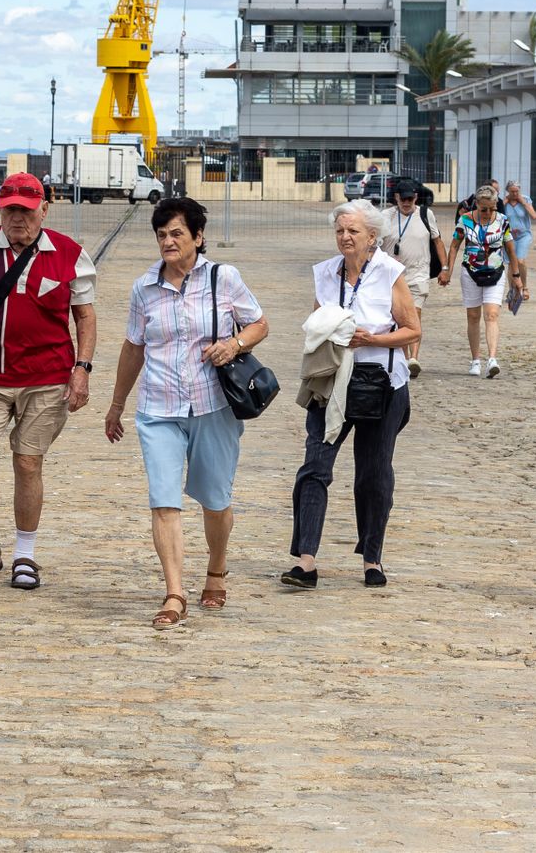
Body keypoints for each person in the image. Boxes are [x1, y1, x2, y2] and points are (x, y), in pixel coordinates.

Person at [104, 198, 267, 628]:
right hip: (157, 407)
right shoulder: (144, 287)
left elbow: (259, 323)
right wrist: (117, 404)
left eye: (177, 233)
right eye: (161, 235)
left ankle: (216, 567)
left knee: (215, 501)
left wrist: (235, 344)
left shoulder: (224, 278)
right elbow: (133, 346)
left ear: (198, 236)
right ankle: (174, 593)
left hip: (213, 405)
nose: (168, 241)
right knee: (164, 501)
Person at [0, 172, 96, 594]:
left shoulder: (70, 254)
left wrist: (82, 368)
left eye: (26, 210)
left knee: (28, 462)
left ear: (44, 209)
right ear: (0, 210)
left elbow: (85, 316)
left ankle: (25, 553)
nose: (17, 218)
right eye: (9, 209)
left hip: (46, 379)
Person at [282, 200, 420, 590]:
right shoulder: (325, 273)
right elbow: (314, 324)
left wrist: (372, 338)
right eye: (340, 230)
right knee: (315, 468)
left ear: (372, 236)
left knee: (374, 475)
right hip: (331, 385)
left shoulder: (390, 273)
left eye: (353, 231)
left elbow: (412, 331)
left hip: (381, 385)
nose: (345, 237)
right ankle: (305, 562)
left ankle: (372, 559)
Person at [439, 186, 523, 377]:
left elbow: (510, 250)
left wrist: (516, 277)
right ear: (477, 204)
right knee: (473, 316)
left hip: (496, 272)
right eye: (484, 209)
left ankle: (492, 359)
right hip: (471, 272)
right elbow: (454, 247)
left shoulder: (502, 221)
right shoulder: (465, 219)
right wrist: (447, 271)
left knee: (492, 314)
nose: (487, 213)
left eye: (492, 209)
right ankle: (475, 359)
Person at [378, 181, 441, 374]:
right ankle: (404, 358)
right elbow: (375, 244)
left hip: (418, 273)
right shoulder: (385, 217)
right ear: (396, 197)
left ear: (416, 197)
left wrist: (445, 268)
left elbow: (437, 241)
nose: (406, 202)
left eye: (410, 198)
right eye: (402, 198)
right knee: (398, 316)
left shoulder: (425, 214)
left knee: (414, 313)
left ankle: (413, 358)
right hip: (393, 275)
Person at [500, 181, 536, 297]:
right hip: (509, 235)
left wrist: (523, 202)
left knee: (520, 261)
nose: (515, 194)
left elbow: (534, 216)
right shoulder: (503, 202)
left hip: (523, 235)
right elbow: (496, 215)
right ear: (508, 192)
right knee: (511, 263)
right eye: (512, 192)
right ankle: (512, 289)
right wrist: (504, 203)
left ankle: (524, 287)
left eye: (517, 191)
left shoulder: (525, 199)